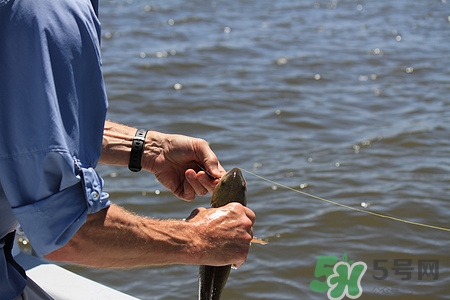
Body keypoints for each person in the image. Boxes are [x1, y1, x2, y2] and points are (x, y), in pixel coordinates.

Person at [0, 0, 256, 299]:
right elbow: (68, 233)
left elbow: (24, 123)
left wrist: (150, 149)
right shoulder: (48, 11)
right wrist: (201, 239)